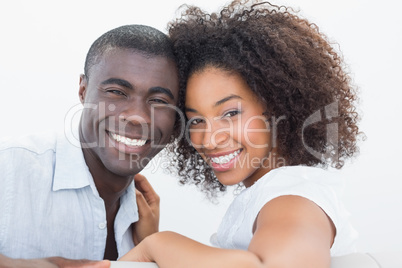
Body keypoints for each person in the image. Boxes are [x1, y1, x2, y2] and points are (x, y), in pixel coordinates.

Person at [119, 1, 361, 267]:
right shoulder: (270, 193)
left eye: (230, 113)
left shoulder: (292, 199)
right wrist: (146, 243)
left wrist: (158, 244)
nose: (209, 139)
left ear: (277, 105)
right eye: (196, 120)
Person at [0, 24, 179, 267]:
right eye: (116, 92)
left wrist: (152, 249)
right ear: (83, 90)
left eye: (159, 100)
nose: (137, 116)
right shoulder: (9, 168)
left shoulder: (143, 222)